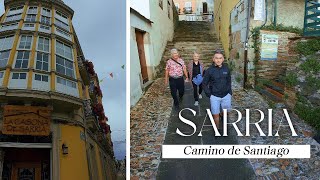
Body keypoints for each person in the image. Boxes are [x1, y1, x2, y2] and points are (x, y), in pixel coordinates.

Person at [203, 50, 232, 134]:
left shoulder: (226, 69)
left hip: (226, 95)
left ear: (223, 59)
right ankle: (217, 129)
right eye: (216, 58)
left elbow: (229, 81)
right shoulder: (209, 70)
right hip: (215, 96)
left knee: (226, 112)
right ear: (213, 59)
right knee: (215, 114)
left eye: (220, 58)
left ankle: (222, 115)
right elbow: (204, 83)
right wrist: (209, 94)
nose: (218, 60)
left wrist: (230, 92)